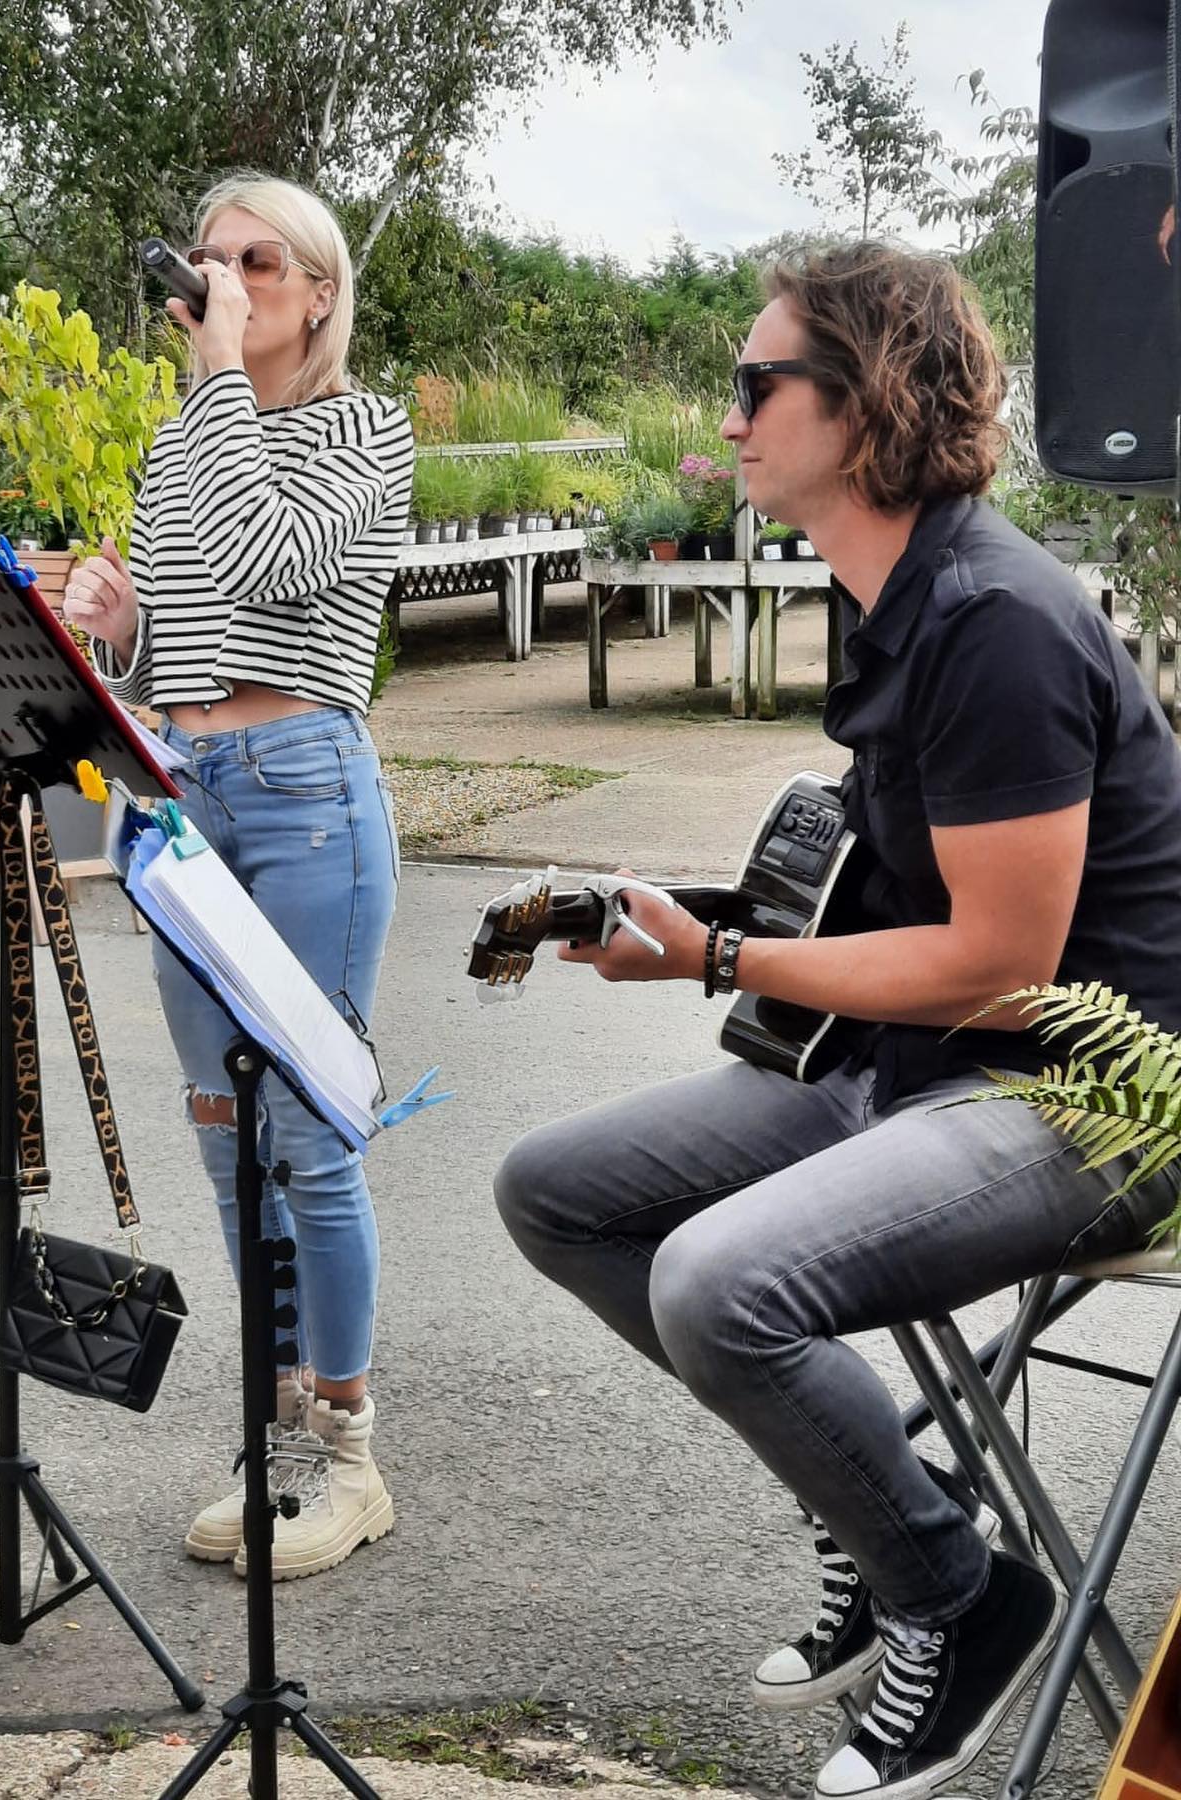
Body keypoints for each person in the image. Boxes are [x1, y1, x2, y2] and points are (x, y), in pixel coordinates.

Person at [494, 243, 1181, 1799]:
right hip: (928, 1067)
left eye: (757, 385)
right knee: (554, 1191)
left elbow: (1001, 969)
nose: (727, 419)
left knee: (717, 1280)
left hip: (1088, 1095)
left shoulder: (999, 621)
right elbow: (893, 926)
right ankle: (894, 1520)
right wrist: (701, 931)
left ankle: (961, 1594)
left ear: (864, 406)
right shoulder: (893, 599)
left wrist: (720, 969)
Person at [63, 171, 413, 1581]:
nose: (225, 283)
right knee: (222, 1134)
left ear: (317, 291)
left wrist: (215, 385)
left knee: (310, 1142)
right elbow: (181, 667)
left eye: (258, 262)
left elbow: (274, 570)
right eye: (208, 264)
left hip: (309, 798)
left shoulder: (363, 432)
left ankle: (348, 1458)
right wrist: (123, 626)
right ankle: (270, 1446)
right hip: (190, 798)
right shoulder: (181, 441)